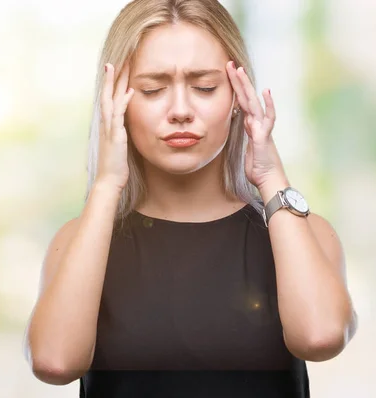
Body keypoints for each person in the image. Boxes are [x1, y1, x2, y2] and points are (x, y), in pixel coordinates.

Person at [24, 0, 358, 396]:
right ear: (117, 102)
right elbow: (54, 362)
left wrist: (270, 176)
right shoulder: (78, 242)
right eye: (152, 89)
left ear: (237, 96)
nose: (180, 110)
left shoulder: (304, 234)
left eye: (204, 87)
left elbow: (320, 337)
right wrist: (106, 184)